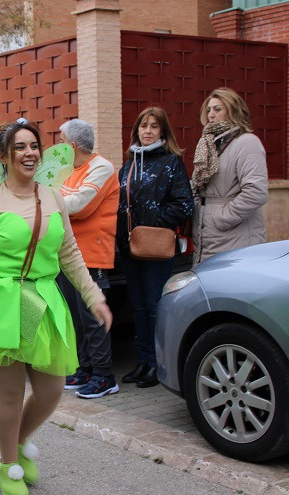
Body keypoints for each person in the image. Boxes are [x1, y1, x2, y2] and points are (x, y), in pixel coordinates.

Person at [0, 119, 111, 495]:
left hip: (45, 301)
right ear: (3, 156)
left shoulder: (52, 197)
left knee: (51, 391)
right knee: (11, 392)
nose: (30, 153)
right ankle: (7, 464)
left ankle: (18, 440)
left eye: (34, 145)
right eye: (19, 147)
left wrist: (93, 295)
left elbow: (69, 253)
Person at [116, 107, 193, 388]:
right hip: (129, 247)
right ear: (136, 130)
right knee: (137, 307)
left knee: (154, 306)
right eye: (143, 126)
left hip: (157, 246)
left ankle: (157, 365)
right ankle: (143, 361)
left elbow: (184, 204)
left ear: (163, 132)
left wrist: (152, 224)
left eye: (154, 127)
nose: (147, 131)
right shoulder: (128, 164)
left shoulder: (171, 164)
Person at [56, 119, 120, 399]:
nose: (57, 146)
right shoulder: (69, 171)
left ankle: (105, 376)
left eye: (60, 141)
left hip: (90, 254)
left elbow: (78, 205)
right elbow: (62, 201)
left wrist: (54, 198)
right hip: (68, 253)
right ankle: (85, 369)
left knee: (92, 317)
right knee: (76, 318)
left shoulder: (101, 168)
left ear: (72, 145)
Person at [191, 87, 268, 264]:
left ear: (233, 111)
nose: (211, 114)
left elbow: (256, 192)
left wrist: (222, 218)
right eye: (209, 109)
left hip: (234, 237)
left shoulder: (247, 143)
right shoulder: (209, 145)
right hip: (207, 236)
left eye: (218, 109)